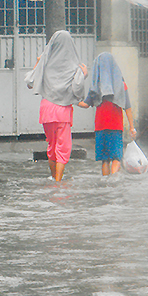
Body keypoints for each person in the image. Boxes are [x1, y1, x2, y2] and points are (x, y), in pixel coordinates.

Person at [25, 30, 88, 182]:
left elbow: (30, 82)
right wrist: (83, 75)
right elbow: (77, 89)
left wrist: (37, 63)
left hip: (46, 109)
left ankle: (54, 178)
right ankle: (58, 182)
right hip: (62, 111)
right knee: (63, 148)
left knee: (51, 146)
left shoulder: (45, 63)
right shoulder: (74, 68)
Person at [78, 52, 137, 176]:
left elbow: (85, 104)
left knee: (105, 160)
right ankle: (113, 183)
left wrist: (71, 100)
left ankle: (105, 183)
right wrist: (131, 127)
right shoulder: (121, 85)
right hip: (115, 126)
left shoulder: (96, 87)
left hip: (100, 126)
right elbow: (128, 107)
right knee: (116, 158)